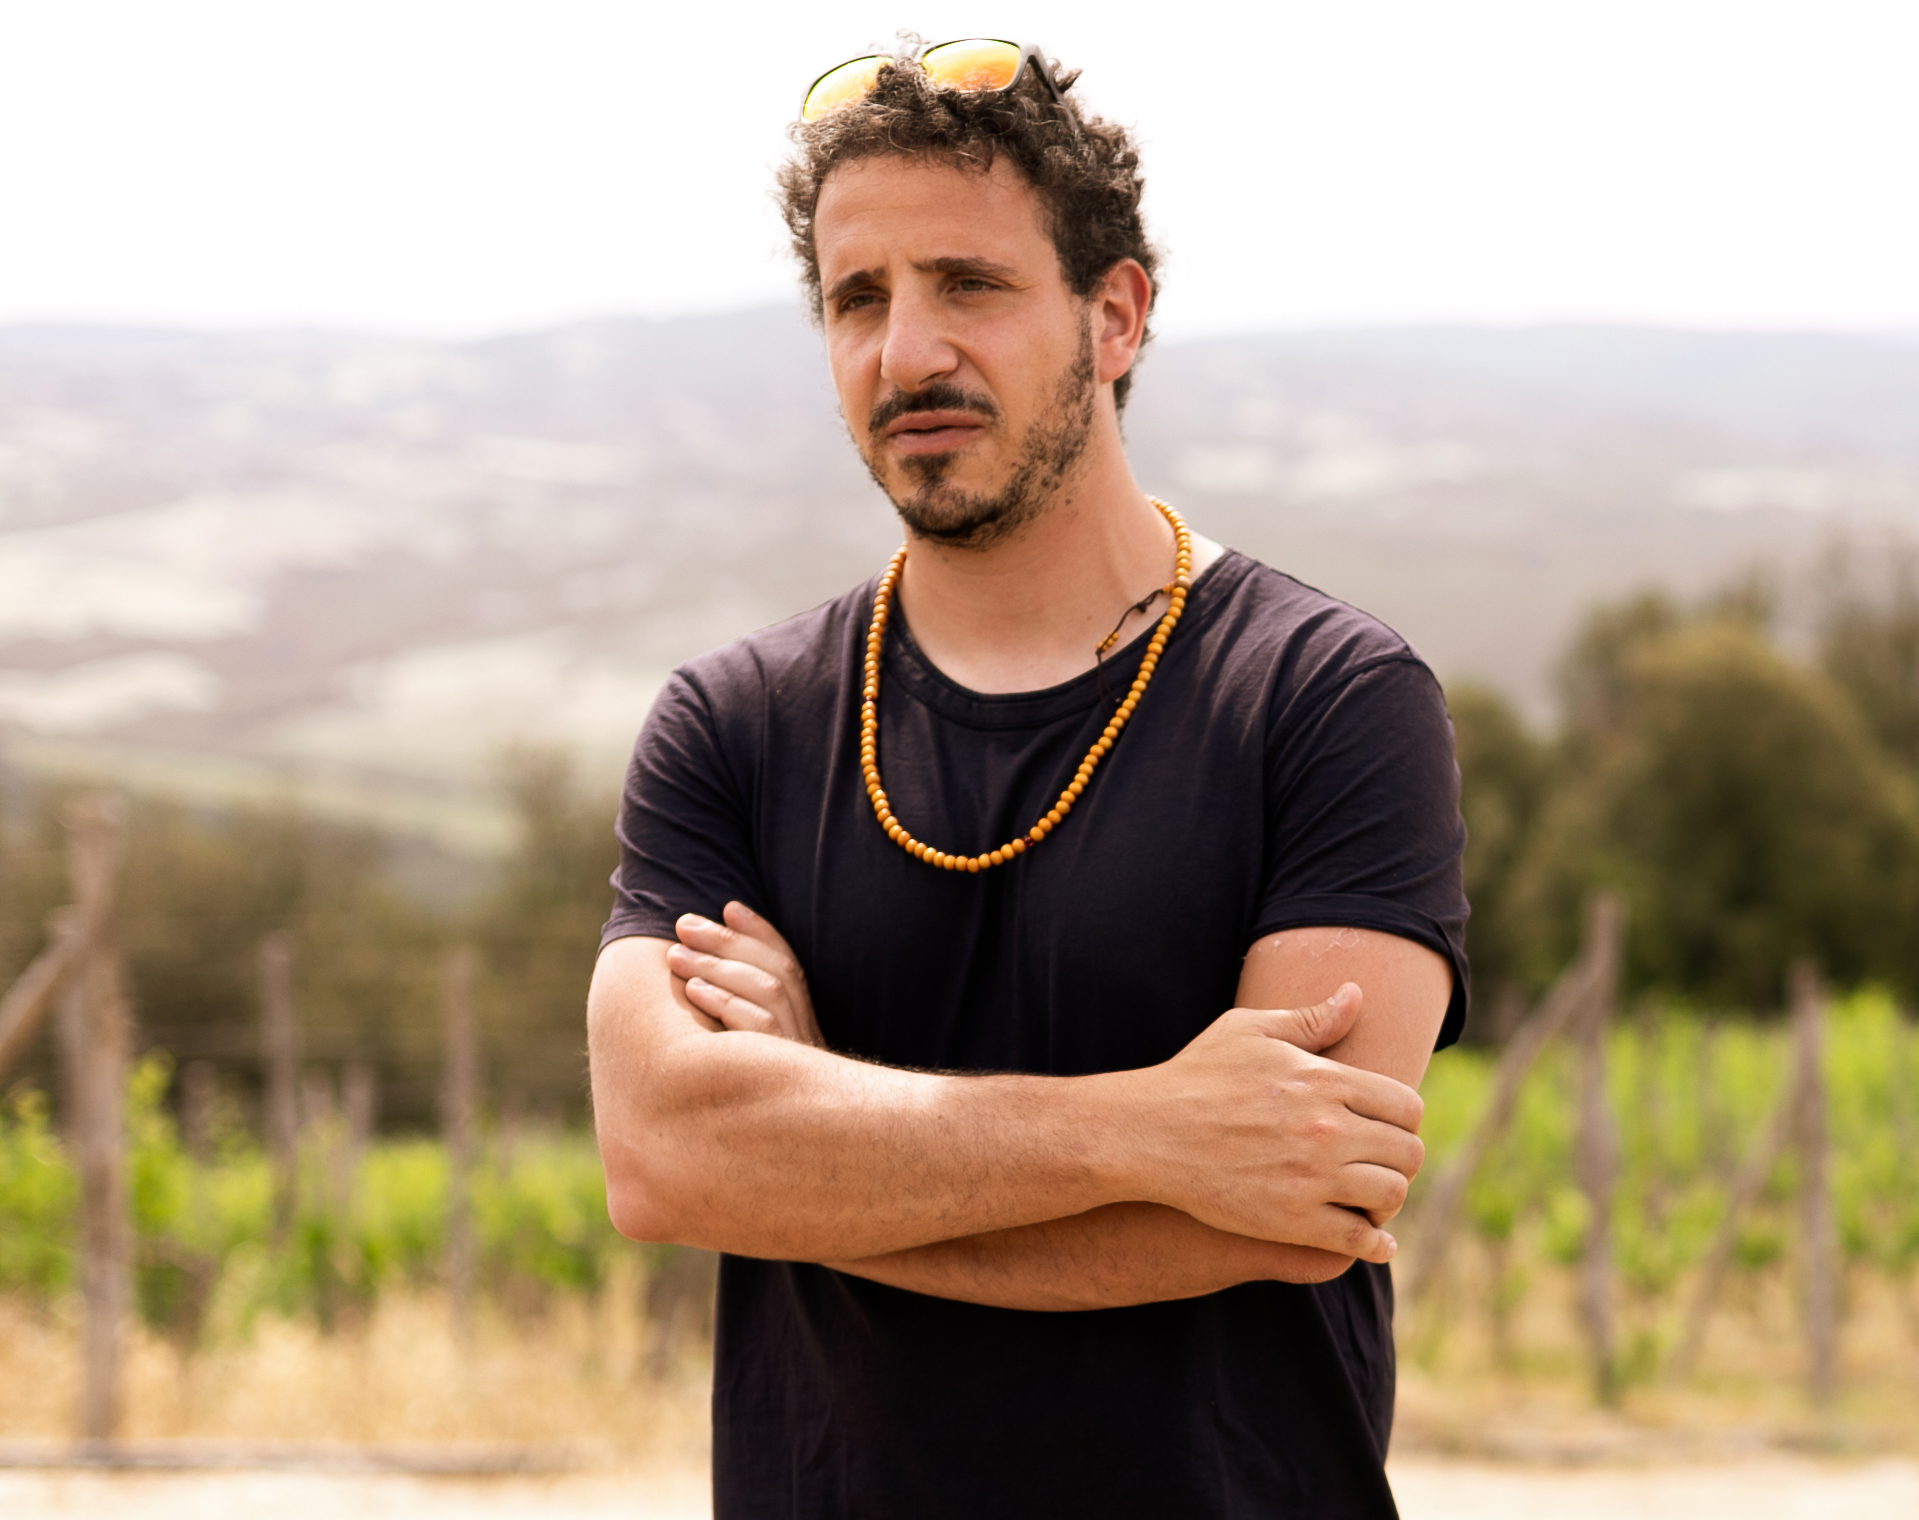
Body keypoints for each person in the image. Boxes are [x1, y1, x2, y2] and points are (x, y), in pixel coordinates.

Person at [584, 37, 1467, 1518]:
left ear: (1114, 316)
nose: (906, 353)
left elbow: (1297, 1202)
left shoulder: (1326, 699)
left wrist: (812, 1132)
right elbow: (663, 1160)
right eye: (858, 298)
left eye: (968, 285)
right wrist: (1148, 1133)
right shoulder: (732, 724)